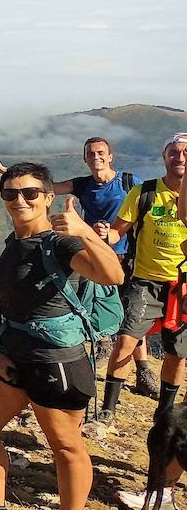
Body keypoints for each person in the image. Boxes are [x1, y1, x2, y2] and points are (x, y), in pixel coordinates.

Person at [0, 162, 122, 510]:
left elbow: (113, 276)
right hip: (13, 356)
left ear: (49, 197)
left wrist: (85, 232)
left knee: (65, 446)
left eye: (30, 193)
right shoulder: (15, 241)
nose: (19, 199)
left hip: (56, 361)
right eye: (10, 193)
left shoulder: (62, 244)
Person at [0, 138, 157, 397]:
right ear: (85, 158)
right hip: (87, 252)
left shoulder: (130, 183)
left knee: (130, 319)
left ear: (111, 156)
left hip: (120, 255)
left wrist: (88, 232)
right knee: (103, 312)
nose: (95, 157)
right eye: (90, 153)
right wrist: (6, 173)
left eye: (100, 153)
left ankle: (140, 367)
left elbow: (146, 213)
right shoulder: (83, 184)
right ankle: (96, 347)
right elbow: (46, 187)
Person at [91, 134, 187, 443]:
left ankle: (165, 414)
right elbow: (118, 233)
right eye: (174, 152)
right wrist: (104, 235)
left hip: (182, 287)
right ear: (164, 156)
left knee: (176, 354)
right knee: (126, 342)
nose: (180, 157)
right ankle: (107, 411)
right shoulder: (144, 192)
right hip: (145, 281)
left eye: (186, 153)